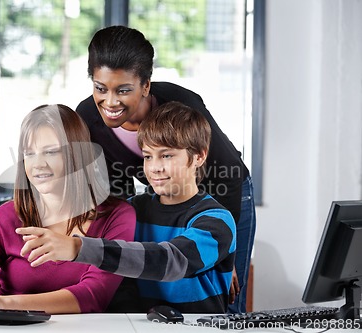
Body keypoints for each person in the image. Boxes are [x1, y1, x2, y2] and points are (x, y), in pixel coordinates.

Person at [75, 25, 256, 313]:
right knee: (157, 288)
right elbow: (115, 191)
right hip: (162, 192)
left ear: (145, 85)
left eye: (123, 90)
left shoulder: (182, 104)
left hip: (225, 191)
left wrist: (226, 260)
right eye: (100, 88)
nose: (110, 102)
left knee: (224, 289)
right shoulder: (87, 117)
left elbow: (228, 177)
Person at [17, 101, 236, 314]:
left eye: (167, 155)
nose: (155, 168)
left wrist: (77, 248)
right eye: (148, 156)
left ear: (199, 156)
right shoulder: (129, 210)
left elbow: (171, 262)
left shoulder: (217, 220)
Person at [0, 104, 136, 314]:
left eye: (50, 152)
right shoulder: (3, 218)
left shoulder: (117, 216)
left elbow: (94, 296)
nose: (38, 164)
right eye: (29, 154)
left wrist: (6, 303)